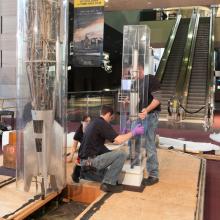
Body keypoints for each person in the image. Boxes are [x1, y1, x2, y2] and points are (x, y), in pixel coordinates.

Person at [79, 105, 144, 193]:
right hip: (91, 162)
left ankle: (88, 175)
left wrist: (112, 155)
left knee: (114, 167)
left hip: (85, 163)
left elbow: (101, 145)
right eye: (111, 118)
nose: (110, 121)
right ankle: (108, 184)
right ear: (108, 114)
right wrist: (133, 132)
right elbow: (118, 140)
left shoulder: (94, 123)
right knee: (121, 154)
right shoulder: (102, 123)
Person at [137, 65, 161, 186]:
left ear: (140, 69)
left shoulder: (151, 79)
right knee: (138, 140)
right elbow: (140, 99)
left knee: (149, 142)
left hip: (151, 115)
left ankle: (153, 174)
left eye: (133, 71)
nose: (132, 74)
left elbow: (158, 99)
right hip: (142, 116)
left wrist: (146, 110)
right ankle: (138, 165)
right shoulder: (138, 83)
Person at [67, 115, 91, 183]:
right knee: (81, 158)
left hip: (91, 150)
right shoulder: (78, 132)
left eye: (90, 121)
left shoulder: (92, 130)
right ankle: (76, 174)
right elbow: (74, 146)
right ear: (82, 122)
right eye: (86, 121)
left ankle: (83, 174)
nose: (88, 123)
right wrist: (71, 157)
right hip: (83, 151)